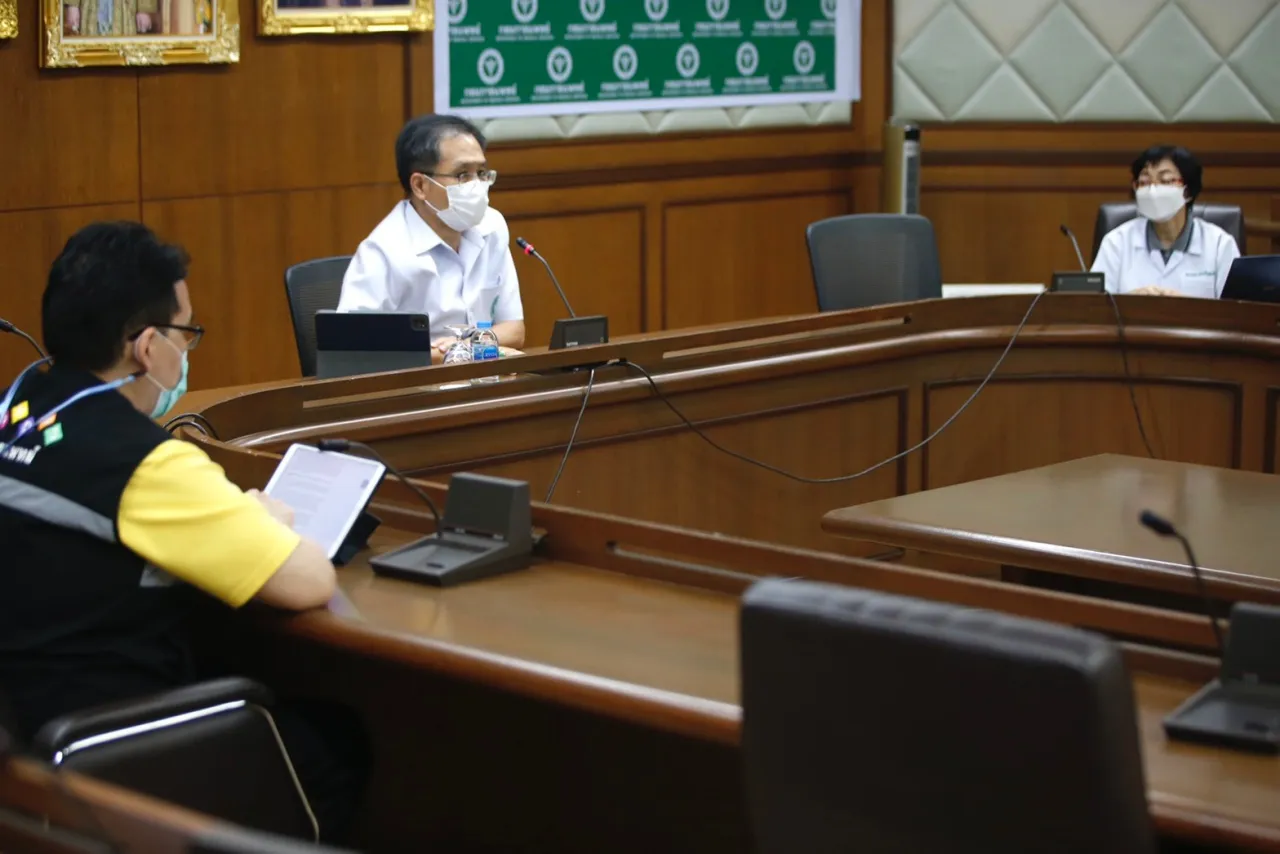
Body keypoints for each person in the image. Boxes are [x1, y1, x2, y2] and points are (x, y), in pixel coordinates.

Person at [0, 222, 367, 843]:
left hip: (23, 730)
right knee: (334, 745)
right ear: (147, 347)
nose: (187, 350)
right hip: (107, 740)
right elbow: (308, 581)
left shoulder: (16, 406)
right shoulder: (143, 461)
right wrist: (260, 519)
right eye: (186, 333)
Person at [338, 114, 526, 360]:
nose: (477, 186)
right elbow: (352, 352)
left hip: (481, 378)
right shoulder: (384, 251)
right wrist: (452, 354)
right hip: (418, 383)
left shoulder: (491, 226)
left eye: (481, 173)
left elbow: (514, 330)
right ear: (420, 186)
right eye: (462, 175)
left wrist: (465, 346)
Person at [1091, 145, 1240, 299]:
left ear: (1187, 191)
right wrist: (1129, 302)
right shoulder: (1116, 242)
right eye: (1144, 182)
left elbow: (1235, 309)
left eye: (1165, 180)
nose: (1152, 190)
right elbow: (1094, 306)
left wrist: (1186, 307)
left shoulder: (1219, 245)